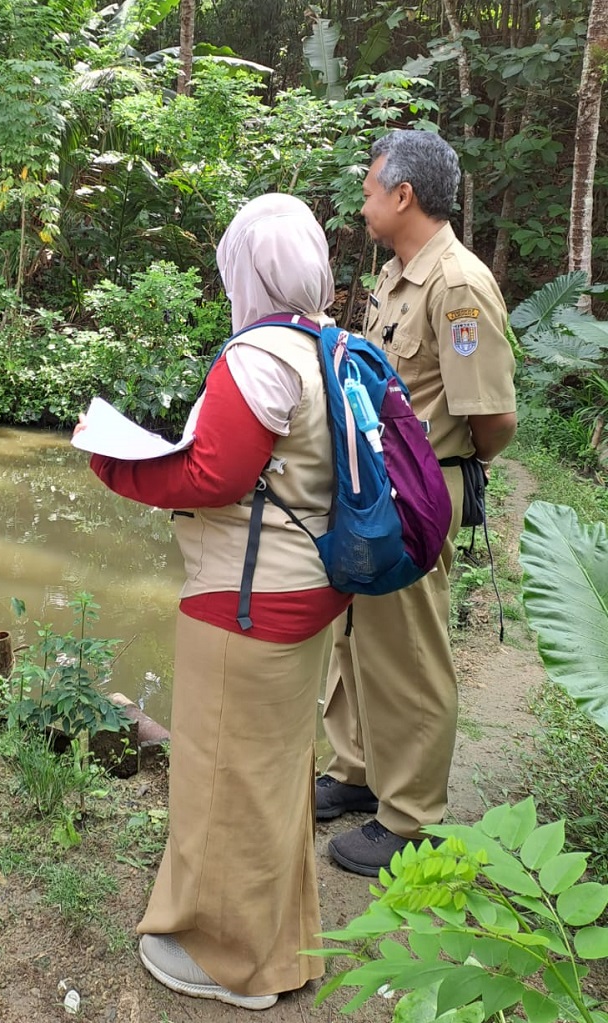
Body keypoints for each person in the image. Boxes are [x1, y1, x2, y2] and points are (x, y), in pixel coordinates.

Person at [79, 194, 347, 1009]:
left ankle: (229, 961)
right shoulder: (331, 344)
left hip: (246, 600)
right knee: (270, 778)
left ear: (246, 268)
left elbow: (212, 476)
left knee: (222, 777)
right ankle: (284, 948)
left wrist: (113, 465)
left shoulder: (258, 354)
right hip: (310, 590)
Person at [318, 130, 518, 876]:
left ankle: (411, 817)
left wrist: (441, 478)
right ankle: (357, 771)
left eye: (371, 187)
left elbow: (492, 417)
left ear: (403, 195)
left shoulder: (456, 285)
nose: (364, 199)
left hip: (418, 491)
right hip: (378, 486)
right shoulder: (399, 275)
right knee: (355, 633)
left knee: (407, 648)